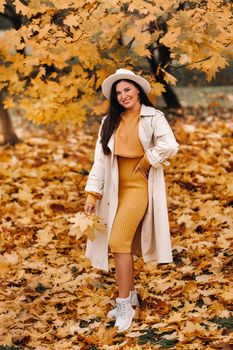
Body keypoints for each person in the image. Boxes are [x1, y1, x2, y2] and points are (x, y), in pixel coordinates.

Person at [84, 68, 179, 332]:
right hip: (114, 191)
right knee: (120, 244)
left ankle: (124, 304)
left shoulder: (153, 117)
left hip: (138, 189)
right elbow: (100, 161)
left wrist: (148, 159)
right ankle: (132, 295)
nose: (123, 95)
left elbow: (170, 144)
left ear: (137, 90)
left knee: (117, 242)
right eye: (118, 92)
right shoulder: (108, 122)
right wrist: (93, 193)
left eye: (127, 89)